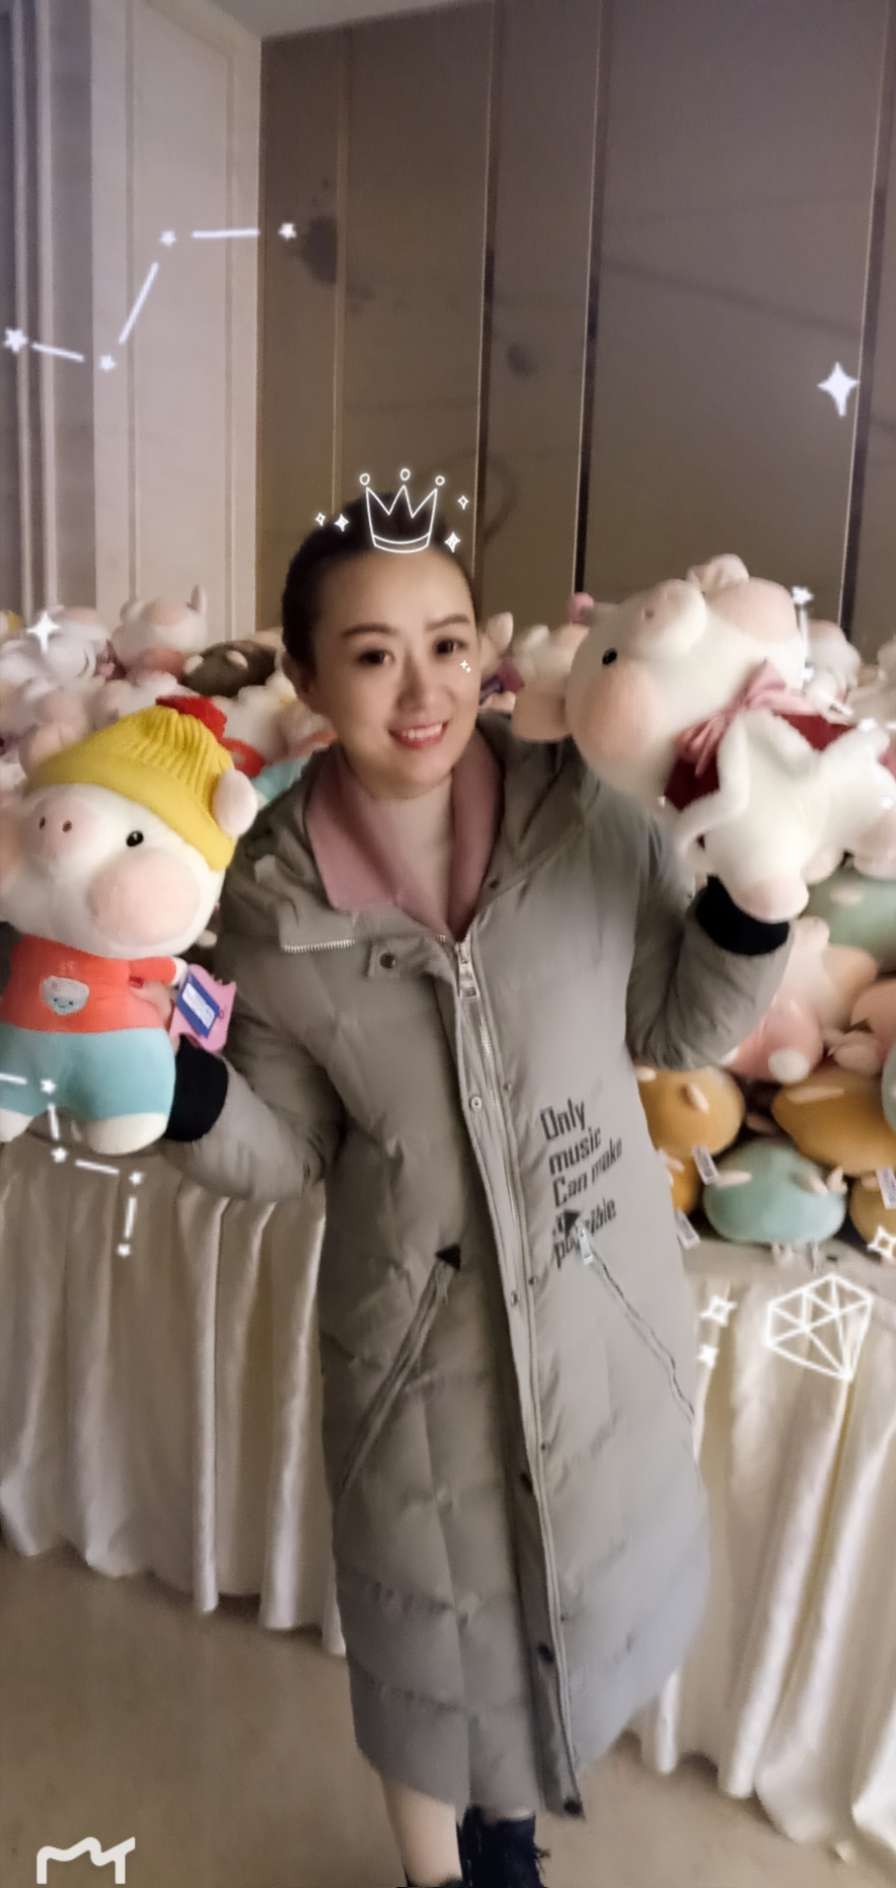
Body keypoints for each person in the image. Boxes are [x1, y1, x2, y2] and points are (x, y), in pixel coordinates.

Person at [162, 494, 790, 1888]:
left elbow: (675, 1025)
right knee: (427, 1642)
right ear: (307, 675)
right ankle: (442, 1873)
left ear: (486, 651)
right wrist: (181, 1094)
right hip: (413, 1344)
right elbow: (289, 1148)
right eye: (373, 655)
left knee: (573, 1591)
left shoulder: (585, 811)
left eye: (447, 643)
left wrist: (756, 900)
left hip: (594, 1300)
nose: (424, 690)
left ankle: (510, 1825)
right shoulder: (267, 898)